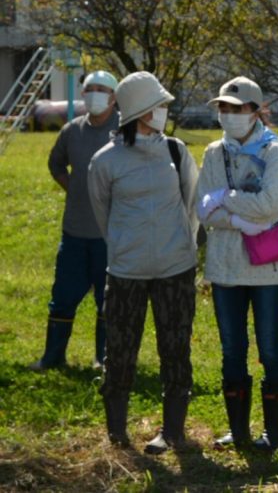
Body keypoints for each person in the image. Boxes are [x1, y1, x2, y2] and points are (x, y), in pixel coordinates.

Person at [87, 71, 198, 454]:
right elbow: (103, 214)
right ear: (142, 112)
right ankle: (118, 433)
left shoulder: (176, 151)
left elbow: (191, 205)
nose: (165, 111)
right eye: (160, 106)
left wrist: (181, 247)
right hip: (125, 273)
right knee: (119, 352)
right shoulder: (106, 161)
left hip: (175, 270)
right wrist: (124, 247)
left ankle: (172, 431)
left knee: (176, 350)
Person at [197, 76, 278, 452]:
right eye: (224, 108)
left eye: (238, 109)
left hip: (268, 266)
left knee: (270, 346)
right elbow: (204, 209)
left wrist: (225, 197)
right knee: (231, 348)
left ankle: (274, 433)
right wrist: (239, 218)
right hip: (225, 264)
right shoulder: (211, 153)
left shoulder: (275, 151)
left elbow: (273, 205)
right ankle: (237, 431)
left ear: (256, 111)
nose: (230, 115)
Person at [31, 70, 119, 371]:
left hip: (111, 234)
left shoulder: (125, 130)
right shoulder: (72, 130)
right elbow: (55, 163)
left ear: (114, 97)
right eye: (90, 89)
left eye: (102, 89)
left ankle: (103, 359)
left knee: (108, 300)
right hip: (75, 230)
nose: (95, 94)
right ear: (82, 94)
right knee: (63, 296)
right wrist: (75, 187)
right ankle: (53, 357)